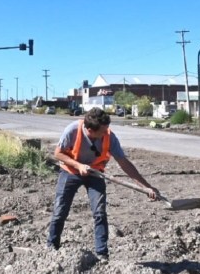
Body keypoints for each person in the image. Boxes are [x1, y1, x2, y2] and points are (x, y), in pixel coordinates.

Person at [47, 108, 160, 260]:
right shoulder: (72, 130)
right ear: (89, 130)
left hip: (95, 173)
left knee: (100, 213)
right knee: (60, 211)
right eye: (102, 131)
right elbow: (58, 153)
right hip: (70, 171)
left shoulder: (109, 136)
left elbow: (124, 162)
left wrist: (146, 186)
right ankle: (52, 247)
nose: (106, 133)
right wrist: (79, 165)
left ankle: (102, 254)